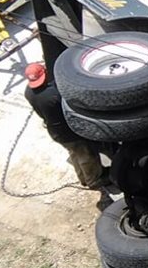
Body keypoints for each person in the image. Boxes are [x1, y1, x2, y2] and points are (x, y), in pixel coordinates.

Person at [22, 63, 105, 191]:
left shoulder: (28, 92)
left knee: (74, 153)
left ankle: (83, 178)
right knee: (86, 155)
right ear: (44, 74)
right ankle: (94, 180)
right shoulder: (54, 94)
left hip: (55, 131)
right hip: (68, 131)